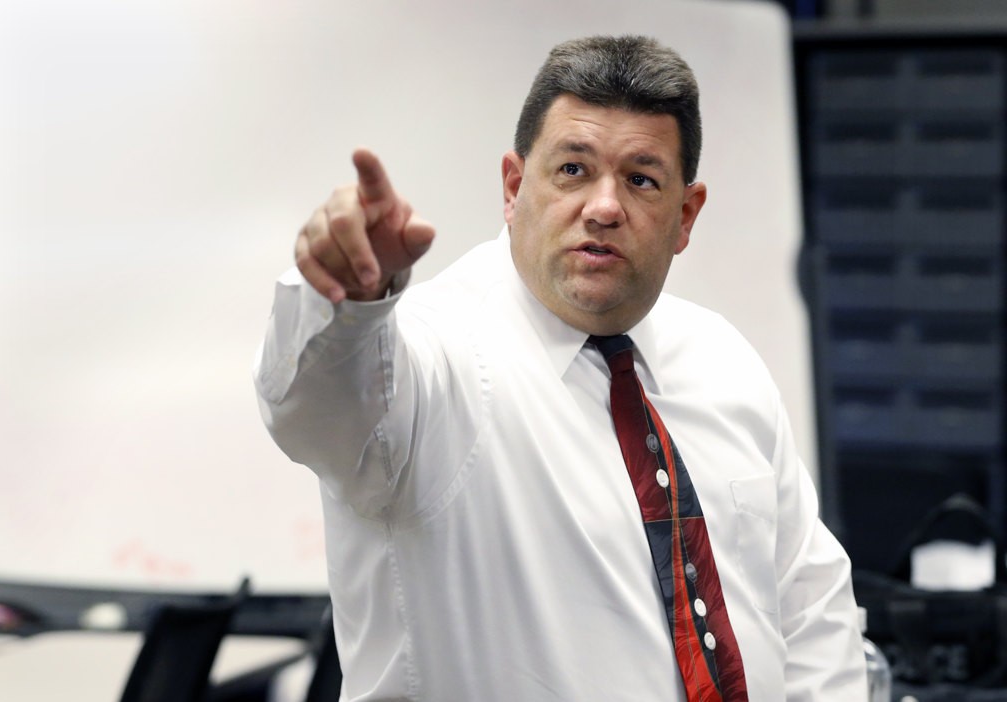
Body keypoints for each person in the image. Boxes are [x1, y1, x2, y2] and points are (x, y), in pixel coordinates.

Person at [254, 35, 866, 701]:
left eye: (641, 179)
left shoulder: (723, 359)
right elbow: (316, 406)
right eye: (573, 170)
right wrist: (349, 305)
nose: (604, 207)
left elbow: (810, 604)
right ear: (515, 188)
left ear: (685, 217)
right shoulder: (433, 356)